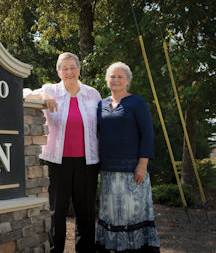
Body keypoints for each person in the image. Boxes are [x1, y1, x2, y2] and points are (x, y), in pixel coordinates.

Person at [24, 52, 101, 253]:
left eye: (72, 67)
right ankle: (55, 250)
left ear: (79, 69)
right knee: (56, 212)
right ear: (58, 72)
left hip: (88, 162)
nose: (69, 72)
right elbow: (22, 93)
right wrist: (42, 95)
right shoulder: (51, 89)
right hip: (57, 162)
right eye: (64, 68)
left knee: (85, 212)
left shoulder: (92, 94)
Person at [96, 62, 160, 252]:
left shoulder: (137, 102)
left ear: (127, 80)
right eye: (112, 76)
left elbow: (147, 133)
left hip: (132, 171)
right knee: (111, 215)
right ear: (107, 80)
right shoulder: (101, 104)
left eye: (120, 76)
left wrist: (143, 164)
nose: (115, 80)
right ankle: (112, 247)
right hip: (108, 170)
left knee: (132, 214)